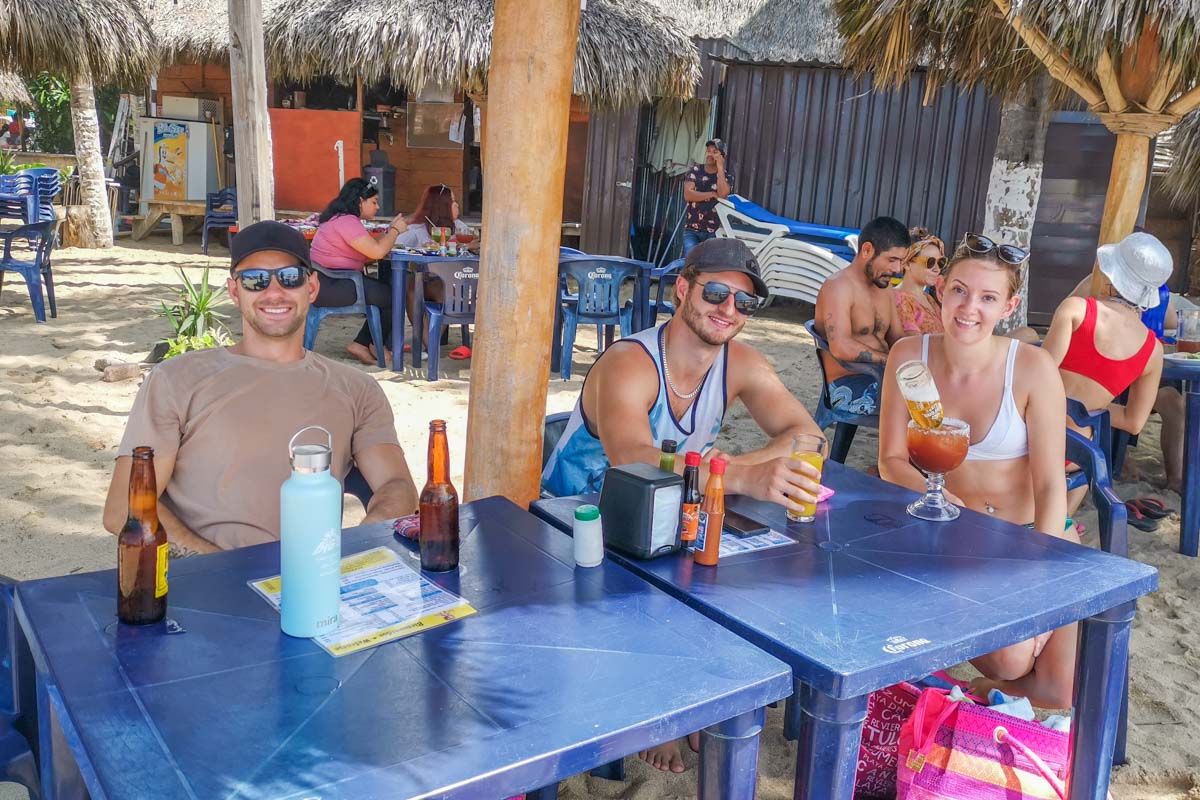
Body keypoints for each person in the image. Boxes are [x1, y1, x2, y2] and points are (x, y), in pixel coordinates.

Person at [542, 237, 825, 771]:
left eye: (744, 302)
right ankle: (667, 709)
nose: (728, 310)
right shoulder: (631, 361)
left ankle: (700, 701)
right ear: (682, 290)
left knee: (751, 573)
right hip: (580, 520)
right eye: (716, 292)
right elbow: (631, 458)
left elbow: (807, 436)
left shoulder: (739, 362)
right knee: (691, 576)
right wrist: (735, 475)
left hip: (673, 518)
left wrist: (744, 466)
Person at [103, 221, 419, 555]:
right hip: (209, 584)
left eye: (290, 278)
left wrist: (357, 547)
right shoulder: (176, 378)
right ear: (235, 291)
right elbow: (124, 507)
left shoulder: (358, 389)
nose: (274, 292)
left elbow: (396, 486)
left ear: (312, 287)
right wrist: (220, 566)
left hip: (315, 582)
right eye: (255, 280)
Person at [879, 234, 1072, 708]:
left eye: (988, 297)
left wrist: (1039, 572)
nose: (970, 308)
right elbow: (890, 461)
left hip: (1032, 538)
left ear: (1010, 306)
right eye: (961, 290)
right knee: (1011, 662)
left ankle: (966, 695)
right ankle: (968, 690)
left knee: (1055, 694)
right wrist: (943, 502)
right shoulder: (908, 357)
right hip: (950, 542)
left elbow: (1051, 485)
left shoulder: (1032, 367)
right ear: (940, 290)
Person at [1043, 232, 1169, 509]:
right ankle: (1063, 520)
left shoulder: (1076, 310)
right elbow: (1134, 422)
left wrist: (1063, 400)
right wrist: (1087, 406)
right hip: (1074, 456)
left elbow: (1038, 376)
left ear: (1111, 278)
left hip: (1033, 439)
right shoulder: (1153, 350)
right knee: (1090, 453)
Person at [813, 216, 911, 415]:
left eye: (901, 261)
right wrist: (889, 360)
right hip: (848, 384)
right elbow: (841, 347)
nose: (897, 269)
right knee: (919, 408)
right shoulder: (838, 287)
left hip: (885, 376)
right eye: (892, 260)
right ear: (867, 250)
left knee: (944, 394)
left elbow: (898, 338)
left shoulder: (884, 287)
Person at [310, 178, 410, 365]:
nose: (378, 206)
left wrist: (389, 231)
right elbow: (378, 251)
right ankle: (370, 344)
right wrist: (395, 231)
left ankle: (365, 343)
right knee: (394, 296)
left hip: (330, 282)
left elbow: (371, 248)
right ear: (359, 202)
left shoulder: (341, 219)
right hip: (335, 286)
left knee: (386, 292)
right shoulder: (346, 222)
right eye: (373, 202)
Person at [398, 184, 476, 360]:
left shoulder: (459, 227)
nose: (457, 206)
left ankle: (431, 345)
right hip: (424, 279)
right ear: (441, 207)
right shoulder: (417, 230)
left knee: (447, 291)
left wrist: (465, 245)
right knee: (411, 289)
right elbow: (396, 246)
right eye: (453, 202)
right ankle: (430, 344)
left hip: (454, 281)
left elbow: (473, 243)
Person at [891, 227, 946, 338]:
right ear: (907, 264)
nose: (937, 269)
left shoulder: (928, 299)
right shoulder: (899, 299)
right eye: (930, 262)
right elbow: (915, 345)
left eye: (940, 262)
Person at [681, 139, 733, 255]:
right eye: (708, 151)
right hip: (692, 230)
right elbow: (688, 195)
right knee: (691, 266)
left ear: (722, 156)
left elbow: (723, 194)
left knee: (709, 267)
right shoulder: (695, 171)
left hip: (714, 231)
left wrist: (720, 168)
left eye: (715, 152)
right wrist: (712, 194)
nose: (710, 154)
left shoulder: (726, 177)